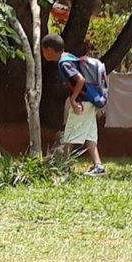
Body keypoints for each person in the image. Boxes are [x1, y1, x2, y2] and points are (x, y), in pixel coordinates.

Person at [41, 34, 105, 176]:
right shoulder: (69, 57)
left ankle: (62, 167)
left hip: (82, 102)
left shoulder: (64, 63)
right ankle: (98, 166)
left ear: (50, 50)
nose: (43, 53)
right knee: (90, 136)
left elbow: (80, 80)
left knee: (70, 134)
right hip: (90, 100)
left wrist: (73, 100)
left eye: (43, 50)